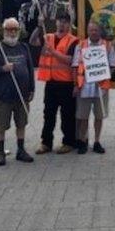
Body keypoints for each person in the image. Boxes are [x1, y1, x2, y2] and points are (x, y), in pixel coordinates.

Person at [0, 17, 35, 165]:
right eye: (9, 29)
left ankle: (21, 150)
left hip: (22, 95)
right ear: (4, 31)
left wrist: (32, 88)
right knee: (1, 125)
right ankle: (1, 153)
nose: (12, 32)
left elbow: (30, 69)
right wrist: (2, 69)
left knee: (21, 124)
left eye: (15, 29)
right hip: (3, 96)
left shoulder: (24, 48)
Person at [29, 10, 78, 155]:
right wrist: (38, 26)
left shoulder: (73, 41)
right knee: (48, 114)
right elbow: (32, 41)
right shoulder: (47, 36)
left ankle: (68, 142)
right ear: (56, 22)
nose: (62, 24)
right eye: (60, 21)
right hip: (50, 83)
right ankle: (46, 143)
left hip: (66, 83)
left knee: (67, 115)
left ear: (69, 24)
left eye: (65, 21)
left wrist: (54, 52)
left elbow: (70, 60)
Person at [71, 21, 115, 154]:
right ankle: (83, 141)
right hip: (84, 87)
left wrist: (104, 74)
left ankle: (97, 141)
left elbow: (113, 65)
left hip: (101, 88)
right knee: (83, 116)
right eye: (91, 30)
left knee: (99, 116)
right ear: (87, 31)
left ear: (100, 31)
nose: (93, 32)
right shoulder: (80, 46)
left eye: (96, 30)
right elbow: (74, 66)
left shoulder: (107, 46)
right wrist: (75, 85)